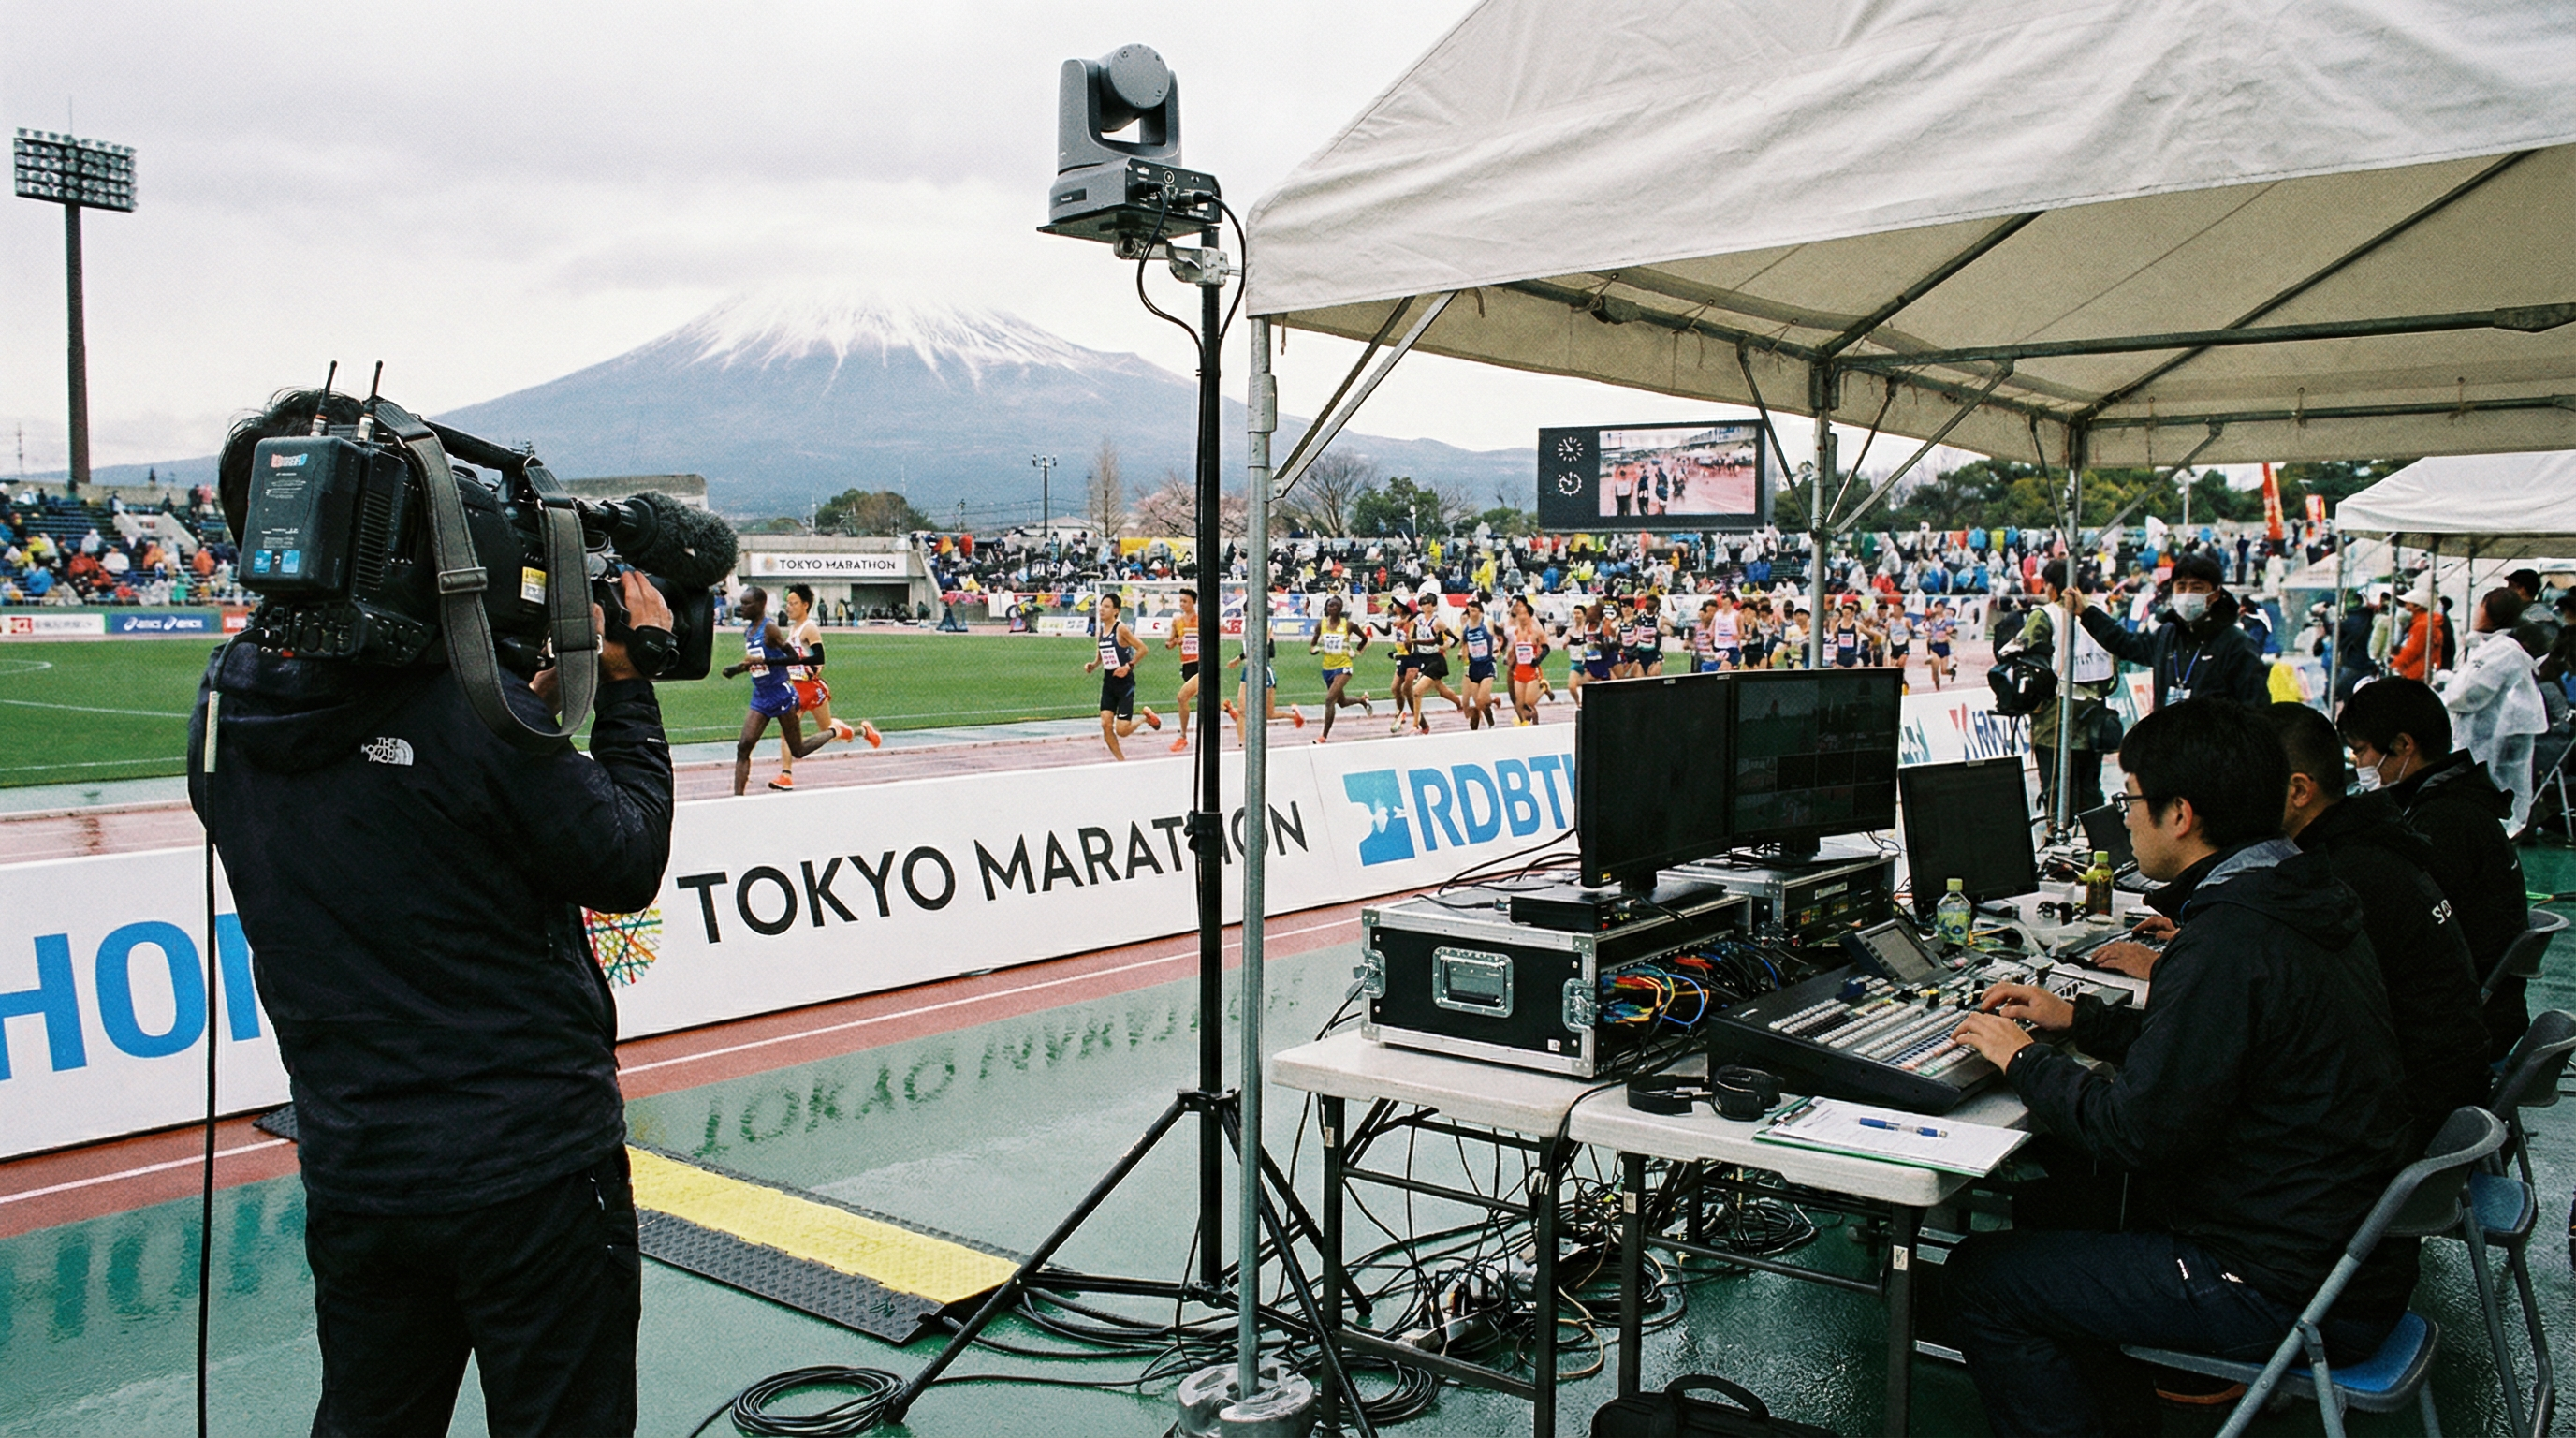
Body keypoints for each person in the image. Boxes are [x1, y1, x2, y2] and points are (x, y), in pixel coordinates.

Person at [190, 387, 676, 1436]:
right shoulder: (472, 710)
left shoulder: (228, 695)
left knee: (372, 1417)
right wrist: (626, 684)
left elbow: (390, 809)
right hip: (530, 1166)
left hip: (356, 1164)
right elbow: (624, 857)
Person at [1944, 700, 2415, 1438]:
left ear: (2182, 814)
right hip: (2341, 1258)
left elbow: (2137, 1130)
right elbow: (2217, 1047)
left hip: (2274, 1283)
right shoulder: (2301, 897)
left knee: (1982, 1279)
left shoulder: (2228, 939)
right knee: (2070, 1200)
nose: (2124, 819)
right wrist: (2084, 1020)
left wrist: (2024, 1057)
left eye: (2130, 800)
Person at [2339, 676, 2534, 1058]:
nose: (2359, 765)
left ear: (2403, 745)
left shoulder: (2443, 824)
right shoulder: (2455, 800)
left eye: (2360, 752)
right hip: (2486, 1006)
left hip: (2463, 1028)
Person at [2074, 550, 2268, 709]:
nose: (2187, 595)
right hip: (2167, 746)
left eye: (2197, 588)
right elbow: (2125, 644)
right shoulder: (2167, 634)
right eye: (2181, 587)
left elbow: (2254, 708)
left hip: (2213, 751)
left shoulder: (2237, 644)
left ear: (2215, 594)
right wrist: (2086, 613)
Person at [2001, 562, 2115, 820]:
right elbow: (2113, 670)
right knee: (2090, 791)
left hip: (2055, 719)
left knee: (2056, 791)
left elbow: (2025, 655)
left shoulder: (2045, 615)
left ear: (2052, 587)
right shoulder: (2099, 611)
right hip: (2095, 716)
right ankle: (2097, 845)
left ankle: (2058, 841)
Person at [724, 587, 856, 796]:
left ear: (760, 605)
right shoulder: (749, 631)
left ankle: (834, 731)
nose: (743, 607)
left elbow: (793, 658)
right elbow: (756, 661)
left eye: (747, 603)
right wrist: (738, 668)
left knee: (798, 750)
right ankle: (737, 798)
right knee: (743, 746)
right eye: (742, 602)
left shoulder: (770, 629)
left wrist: (765, 661)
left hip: (781, 695)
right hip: (761, 696)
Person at [2440, 587, 2550, 832]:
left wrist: (2447, 690)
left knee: (2484, 798)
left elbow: (2467, 694)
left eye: (2481, 607)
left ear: (2491, 613)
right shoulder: (2497, 647)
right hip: (2485, 739)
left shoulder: (2503, 650)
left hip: (2488, 740)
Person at [768, 583, 879, 789]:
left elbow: (819, 658)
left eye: (793, 603)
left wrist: (802, 668)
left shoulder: (809, 628)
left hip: (809, 687)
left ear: (805, 605)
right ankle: (861, 731)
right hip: (796, 688)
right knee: (813, 730)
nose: (789, 607)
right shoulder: (792, 629)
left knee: (811, 730)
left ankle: (786, 774)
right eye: (787, 603)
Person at [1082, 591, 1161, 760]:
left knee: (1122, 730)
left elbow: (1143, 649)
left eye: (1107, 606)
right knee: (1105, 723)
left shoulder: (1121, 629)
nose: (1101, 610)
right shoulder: (1102, 631)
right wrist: (1093, 665)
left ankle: (1145, 720)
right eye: (1101, 606)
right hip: (1108, 682)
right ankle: (1121, 761)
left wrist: (1128, 666)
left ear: (1116, 611)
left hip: (1124, 683)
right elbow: (1102, 653)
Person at [1308, 594, 1371, 742]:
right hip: (1327, 668)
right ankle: (1362, 701)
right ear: (1327, 608)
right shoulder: (1321, 625)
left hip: (1344, 666)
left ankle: (1323, 735)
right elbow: (1312, 646)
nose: (1333, 608)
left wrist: (1358, 650)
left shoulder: (1348, 625)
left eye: (1336, 605)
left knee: (1329, 699)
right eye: (1330, 605)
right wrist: (1315, 650)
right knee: (1341, 702)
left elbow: (1364, 638)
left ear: (1341, 608)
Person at [1164, 588, 1206, 753]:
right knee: (1206, 700)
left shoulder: (1201, 620)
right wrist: (1176, 642)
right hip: (1187, 666)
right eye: (1180, 601)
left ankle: (1182, 736)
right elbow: (1169, 644)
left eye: (1185, 601)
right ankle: (1230, 709)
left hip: (1201, 665)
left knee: (1182, 698)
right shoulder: (1177, 621)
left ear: (1193, 602)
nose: (1182, 604)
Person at [2385, 581, 2444, 682]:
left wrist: (2394, 664)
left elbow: (2412, 651)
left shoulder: (2421, 625)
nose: (2406, 604)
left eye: (2409, 602)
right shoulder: (2424, 622)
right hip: (2420, 672)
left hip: (2416, 674)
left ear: (2417, 606)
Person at [1456, 598, 1500, 729]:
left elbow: (1495, 638)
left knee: (1481, 700)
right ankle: (1489, 708)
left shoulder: (1487, 621)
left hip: (1487, 665)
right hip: (1473, 666)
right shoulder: (1466, 624)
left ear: (1480, 611)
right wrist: (1462, 653)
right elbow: (1464, 642)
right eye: (1470, 610)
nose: (1472, 613)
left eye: (1474, 610)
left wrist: (1496, 652)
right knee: (1477, 703)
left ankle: (1491, 720)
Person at [1505, 597, 1549, 725]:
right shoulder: (1515, 631)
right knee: (1519, 703)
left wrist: (1538, 659)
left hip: (1532, 669)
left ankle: (1536, 724)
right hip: (1518, 669)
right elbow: (1512, 646)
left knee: (1528, 703)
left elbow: (1545, 646)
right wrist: (1509, 657)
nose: (1522, 616)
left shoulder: (1535, 630)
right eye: (1520, 614)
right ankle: (1525, 726)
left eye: (1524, 613)